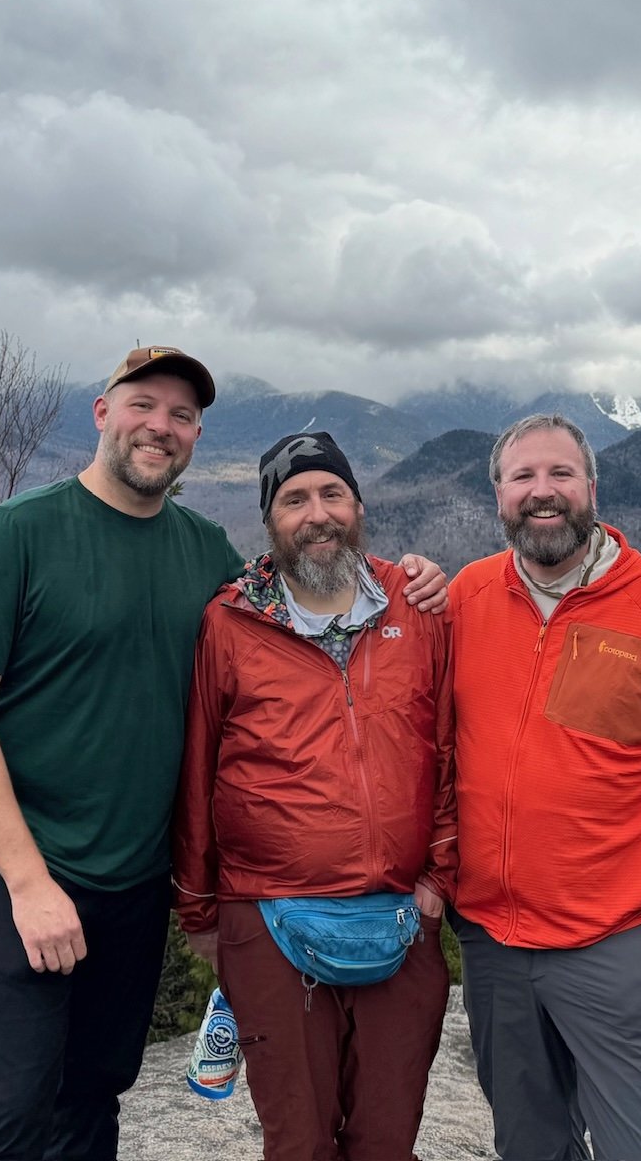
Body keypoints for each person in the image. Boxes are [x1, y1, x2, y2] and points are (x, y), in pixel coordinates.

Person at [0, 348, 447, 1161]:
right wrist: (28, 884)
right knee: (7, 1109)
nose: (160, 427)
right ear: (103, 413)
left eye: (181, 415)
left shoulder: (204, 554)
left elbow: (295, 619)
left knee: (92, 1094)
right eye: (143, 405)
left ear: (197, 435)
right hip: (25, 867)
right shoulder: (21, 532)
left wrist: (414, 579)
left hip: (135, 877)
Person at [447, 412, 641, 1161]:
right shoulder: (468, 598)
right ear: (498, 496)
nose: (542, 491)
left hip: (620, 949)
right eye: (522, 476)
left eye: (560, 474)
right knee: (530, 1148)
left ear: (591, 487)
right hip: (494, 947)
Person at [173, 431, 454, 1161]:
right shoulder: (232, 621)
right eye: (295, 499)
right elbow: (198, 772)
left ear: (358, 506)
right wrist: (200, 910)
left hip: (401, 916)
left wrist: (438, 879)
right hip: (267, 918)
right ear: (271, 520)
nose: (318, 513)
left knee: (388, 1139)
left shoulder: (417, 607)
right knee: (297, 1141)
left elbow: (452, 751)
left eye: (333, 493)